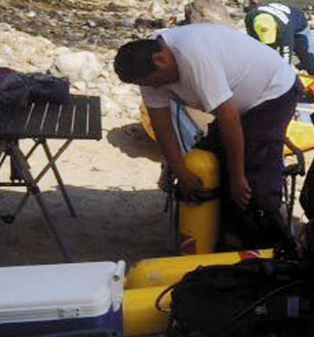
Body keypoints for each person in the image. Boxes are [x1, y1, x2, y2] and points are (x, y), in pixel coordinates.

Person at [114, 24, 300, 240]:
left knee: (253, 175)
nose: (154, 88)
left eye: (154, 82)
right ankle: (222, 230)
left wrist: (238, 177)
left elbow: (228, 117)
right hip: (234, 104)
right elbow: (161, 126)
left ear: (161, 60)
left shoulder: (194, 56)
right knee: (208, 157)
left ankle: (272, 240)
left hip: (273, 92)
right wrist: (180, 171)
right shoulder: (146, 72)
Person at [245, 2, 314, 76]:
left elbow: (286, 57)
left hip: (298, 25)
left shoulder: (285, 29)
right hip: (279, 21)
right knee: (264, 56)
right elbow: (254, 45)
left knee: (309, 61)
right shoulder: (250, 17)